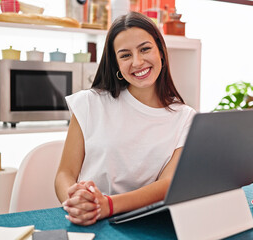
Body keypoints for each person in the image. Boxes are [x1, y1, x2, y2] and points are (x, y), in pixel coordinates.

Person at [54, 11, 196, 226]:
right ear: (116, 63)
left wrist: (109, 205)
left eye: (145, 49)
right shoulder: (89, 103)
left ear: (161, 52)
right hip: (91, 219)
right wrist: (76, 201)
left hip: (147, 222)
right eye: (125, 55)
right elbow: (65, 173)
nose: (137, 62)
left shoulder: (185, 117)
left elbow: (168, 183)